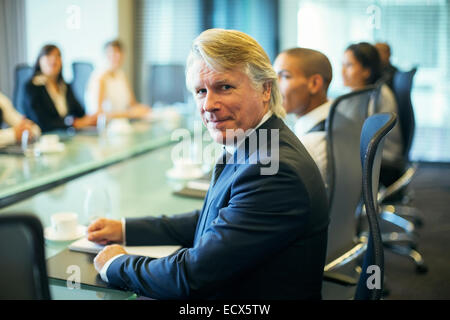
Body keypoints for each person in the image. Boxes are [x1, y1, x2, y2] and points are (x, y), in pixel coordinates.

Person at [87, 29, 329, 300]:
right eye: (200, 91)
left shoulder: (274, 172)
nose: (209, 104)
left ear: (265, 89)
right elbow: (214, 221)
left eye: (224, 87)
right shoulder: (257, 139)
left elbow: (190, 277)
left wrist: (115, 264)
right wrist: (126, 228)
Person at [342, 42, 404, 187]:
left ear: (366, 71)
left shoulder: (377, 96)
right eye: (342, 65)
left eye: (349, 65)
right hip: (372, 158)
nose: (342, 71)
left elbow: (360, 134)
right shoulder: (363, 94)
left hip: (382, 164)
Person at [274, 47, 333, 185]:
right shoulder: (337, 115)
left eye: (285, 76)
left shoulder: (308, 146)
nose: (273, 85)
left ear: (314, 84)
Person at [22, 44, 97, 133]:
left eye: (57, 56)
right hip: (43, 139)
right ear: (39, 61)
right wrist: (72, 124)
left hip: (65, 135)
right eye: (48, 55)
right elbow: (42, 122)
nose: (53, 59)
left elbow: (80, 112)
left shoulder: (65, 86)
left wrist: (90, 119)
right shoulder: (33, 87)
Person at [85, 40, 150, 119]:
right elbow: (98, 114)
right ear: (105, 55)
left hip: (122, 124)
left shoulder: (121, 75)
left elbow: (132, 104)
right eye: (113, 53)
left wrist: (143, 109)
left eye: (119, 53)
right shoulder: (100, 77)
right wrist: (129, 114)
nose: (117, 56)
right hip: (106, 126)